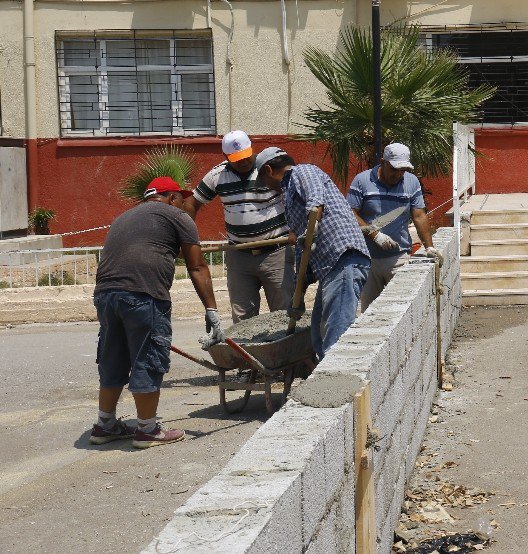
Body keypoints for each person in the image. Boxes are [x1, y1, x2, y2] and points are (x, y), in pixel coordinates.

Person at [89, 176, 223, 449]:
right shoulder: (176, 215)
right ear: (171, 198)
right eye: (182, 198)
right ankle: (147, 429)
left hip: (106, 295)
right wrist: (212, 310)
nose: (186, 204)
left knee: (113, 357)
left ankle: (105, 425)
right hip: (143, 294)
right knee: (148, 358)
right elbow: (197, 267)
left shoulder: (124, 217)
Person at [255, 148, 371, 359]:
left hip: (343, 258)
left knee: (336, 333)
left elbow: (315, 200)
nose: (265, 186)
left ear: (269, 170)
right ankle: (325, 379)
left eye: (262, 180)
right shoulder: (289, 198)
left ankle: (336, 385)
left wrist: (314, 222)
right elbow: (304, 248)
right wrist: (298, 295)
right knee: (318, 331)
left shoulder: (303, 171)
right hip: (330, 268)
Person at [182, 130, 294, 324]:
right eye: (236, 159)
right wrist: (187, 241)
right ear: (226, 157)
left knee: (284, 313)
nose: (243, 162)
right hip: (239, 255)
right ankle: (247, 354)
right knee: (243, 319)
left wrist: (295, 228)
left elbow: (295, 194)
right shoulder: (217, 175)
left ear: (252, 149)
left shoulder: (269, 168)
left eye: (245, 156)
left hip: (276, 253)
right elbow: (191, 204)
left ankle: (288, 353)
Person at [348, 142, 441, 312]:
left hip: (399, 257)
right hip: (368, 259)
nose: (398, 174)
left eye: (403, 170)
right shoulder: (362, 181)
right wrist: (375, 235)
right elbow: (350, 213)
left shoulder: (411, 182)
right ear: (383, 162)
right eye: (394, 169)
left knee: (401, 310)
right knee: (371, 312)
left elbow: (419, 215)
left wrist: (429, 247)